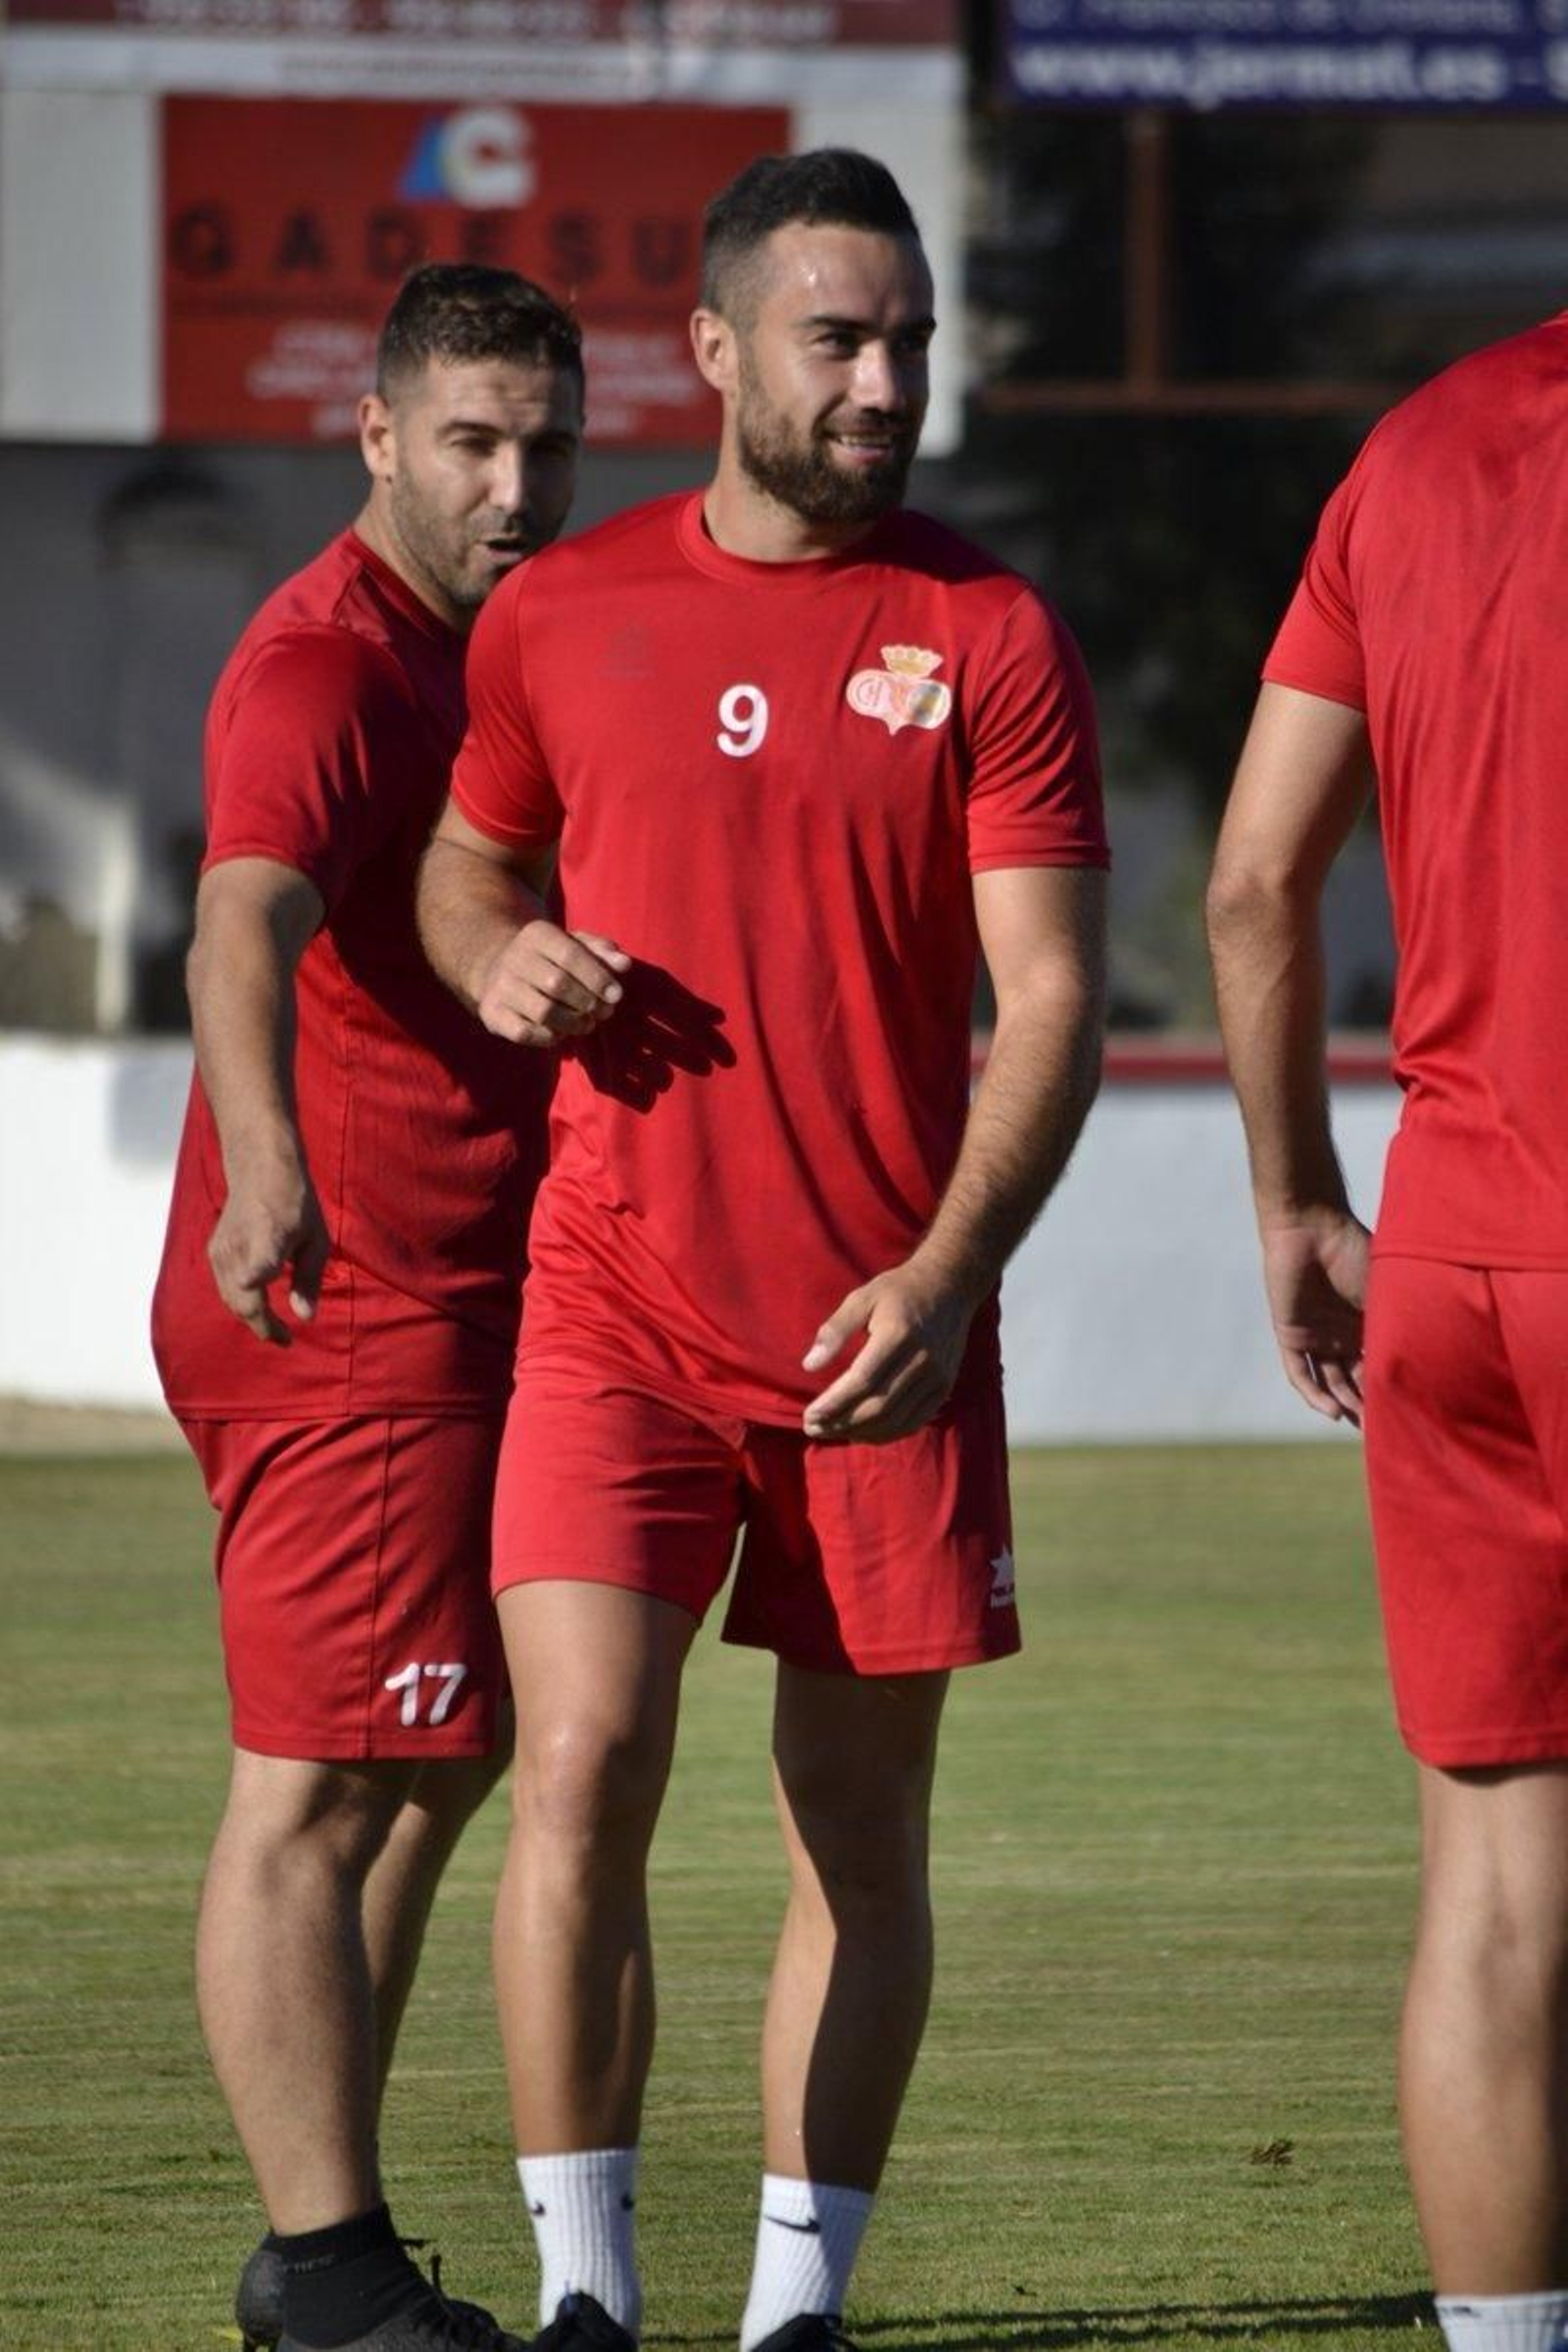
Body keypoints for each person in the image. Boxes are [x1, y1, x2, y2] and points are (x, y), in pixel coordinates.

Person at [415, 150, 1108, 2352]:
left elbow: (1059, 1001)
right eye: (839, 337)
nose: (885, 380)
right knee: (583, 1763)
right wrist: (497, 954)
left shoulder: (984, 633)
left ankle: (790, 2311)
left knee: (855, 1831)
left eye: (906, 340)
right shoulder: (556, 611)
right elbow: (459, 867)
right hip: (609, 1303)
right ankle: (583, 2297)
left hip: (879, 1328)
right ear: (713, 350)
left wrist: (946, 1271)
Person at [151, 262, 586, 2352]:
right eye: (472, 443)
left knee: (431, 1761)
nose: (514, 484)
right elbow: (237, 921)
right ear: (381, 439)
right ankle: (319, 2272)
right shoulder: (322, 669)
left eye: (545, 444)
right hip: (344, 1296)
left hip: (461, 1296)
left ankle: (332, 2236)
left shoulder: (500, 653)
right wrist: (268, 1165)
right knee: (317, 1791)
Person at [1207, 311, 1568, 2352]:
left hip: (1445, 1255)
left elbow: (1254, 881)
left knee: (1495, 1895)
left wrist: (1287, 1198)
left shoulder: (1416, 449)